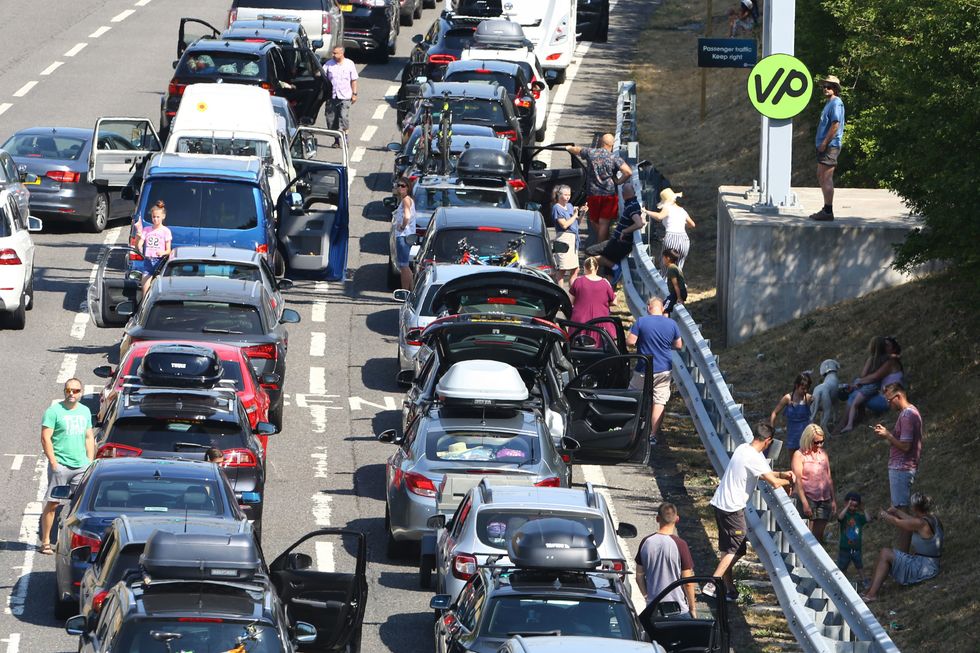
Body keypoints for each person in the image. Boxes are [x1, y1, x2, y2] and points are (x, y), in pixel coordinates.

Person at [706, 423, 795, 600]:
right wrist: (792, 483)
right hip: (732, 508)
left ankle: (729, 589)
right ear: (768, 441)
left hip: (720, 504)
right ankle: (712, 583)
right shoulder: (754, 457)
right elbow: (774, 483)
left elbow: (763, 473)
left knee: (727, 549)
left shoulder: (743, 448)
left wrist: (783, 474)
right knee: (737, 549)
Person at [39, 378, 96, 555]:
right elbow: (45, 437)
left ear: (81, 392)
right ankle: (46, 541)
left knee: (79, 506)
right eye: (69, 390)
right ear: (64, 391)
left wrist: (90, 461)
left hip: (81, 466)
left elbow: (89, 437)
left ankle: (70, 543)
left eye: (76, 391)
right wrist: (54, 463)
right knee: (53, 503)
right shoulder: (54, 411)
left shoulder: (85, 411)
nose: (72, 394)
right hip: (61, 465)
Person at [862, 492, 943, 602]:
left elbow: (899, 522)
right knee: (883, 552)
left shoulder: (920, 523)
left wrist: (884, 515)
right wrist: (896, 511)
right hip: (928, 564)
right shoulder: (931, 519)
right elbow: (910, 520)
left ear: (915, 508)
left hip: (924, 568)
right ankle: (869, 590)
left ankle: (872, 594)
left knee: (885, 553)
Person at [873, 382, 923, 552]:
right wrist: (888, 433)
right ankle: (902, 553)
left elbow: (905, 446)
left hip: (901, 468)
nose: (888, 404)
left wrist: (887, 435)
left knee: (901, 513)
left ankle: (902, 556)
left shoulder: (908, 415)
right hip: (901, 467)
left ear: (898, 396)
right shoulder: (908, 413)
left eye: (889, 400)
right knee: (900, 510)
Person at [626, 297, 682, 444]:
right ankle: (652, 435)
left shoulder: (641, 322)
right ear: (662, 308)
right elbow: (678, 345)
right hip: (664, 368)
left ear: (648, 307)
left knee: (632, 396)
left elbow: (630, 341)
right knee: (659, 401)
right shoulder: (672, 324)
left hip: (644, 368)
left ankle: (628, 428)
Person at [565, 134, 632, 243]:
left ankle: (602, 244)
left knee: (593, 220)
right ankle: (603, 244)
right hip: (609, 194)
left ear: (601, 142)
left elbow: (577, 150)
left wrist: (568, 147)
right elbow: (628, 172)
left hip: (593, 193)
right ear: (612, 144)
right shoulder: (614, 157)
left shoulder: (591, 153)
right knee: (604, 222)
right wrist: (618, 181)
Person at [635, 502, 697, 617]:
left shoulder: (646, 542)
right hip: (678, 609)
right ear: (677, 519)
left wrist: (647, 597)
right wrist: (692, 608)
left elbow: (639, 576)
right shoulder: (680, 545)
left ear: (657, 519)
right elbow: (687, 582)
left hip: (653, 609)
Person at [840, 336, 902, 433]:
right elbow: (867, 377)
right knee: (858, 389)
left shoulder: (891, 362)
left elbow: (874, 377)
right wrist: (858, 382)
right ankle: (858, 417)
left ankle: (845, 424)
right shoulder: (887, 360)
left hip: (889, 402)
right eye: (883, 344)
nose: (883, 346)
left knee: (854, 395)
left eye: (887, 345)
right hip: (888, 398)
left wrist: (858, 383)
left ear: (893, 348)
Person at [586, 182, 645, 281]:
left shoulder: (631, 206)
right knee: (607, 264)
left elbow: (639, 223)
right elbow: (641, 221)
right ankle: (609, 283)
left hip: (619, 243)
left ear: (623, 194)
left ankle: (615, 267)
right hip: (619, 243)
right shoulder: (633, 204)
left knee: (589, 252)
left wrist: (625, 231)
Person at [791, 424, 836, 542]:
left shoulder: (823, 454)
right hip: (807, 497)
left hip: (824, 497)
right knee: (807, 535)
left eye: (822, 442)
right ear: (808, 440)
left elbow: (828, 477)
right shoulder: (799, 455)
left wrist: (833, 500)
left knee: (818, 535)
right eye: (816, 442)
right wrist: (805, 502)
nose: (820, 445)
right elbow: (798, 480)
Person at [809, 75, 845, 221]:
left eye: (829, 86)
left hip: (831, 146)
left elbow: (835, 125)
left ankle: (828, 211)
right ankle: (825, 208)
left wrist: (825, 142)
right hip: (824, 145)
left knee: (826, 177)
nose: (825, 89)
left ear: (835, 89)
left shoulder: (836, 103)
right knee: (820, 175)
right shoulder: (829, 103)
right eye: (824, 86)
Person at [643, 188, 695, 272]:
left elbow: (659, 217)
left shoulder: (667, 207)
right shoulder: (682, 210)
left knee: (666, 267)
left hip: (672, 237)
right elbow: (692, 224)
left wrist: (646, 211)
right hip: (684, 239)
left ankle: (665, 284)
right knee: (678, 268)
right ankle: (679, 284)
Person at [569, 256, 617, 344]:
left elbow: (571, 302)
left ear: (584, 267)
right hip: (600, 322)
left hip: (580, 322)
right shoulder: (605, 283)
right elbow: (614, 302)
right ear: (597, 268)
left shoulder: (578, 282)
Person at [769, 371, 813, 457]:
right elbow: (774, 413)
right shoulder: (788, 398)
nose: (805, 391)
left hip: (806, 435)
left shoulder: (808, 398)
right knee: (793, 460)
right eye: (803, 388)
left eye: (807, 388)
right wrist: (771, 430)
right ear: (797, 386)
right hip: (792, 435)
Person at [323, 46, 358, 147]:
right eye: (333, 53)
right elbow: (321, 75)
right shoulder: (329, 64)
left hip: (345, 96)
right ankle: (336, 141)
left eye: (335, 53)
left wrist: (354, 94)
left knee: (343, 117)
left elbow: (354, 80)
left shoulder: (349, 64)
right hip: (332, 97)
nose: (333, 55)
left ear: (342, 53)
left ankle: (345, 138)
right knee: (331, 119)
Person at [837, 491, 872, 589]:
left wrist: (864, 509)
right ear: (846, 504)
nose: (853, 508)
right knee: (842, 567)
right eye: (851, 506)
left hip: (856, 548)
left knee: (859, 566)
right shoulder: (845, 516)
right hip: (845, 548)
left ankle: (864, 580)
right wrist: (846, 507)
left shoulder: (859, 517)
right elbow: (840, 518)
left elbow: (868, 519)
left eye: (855, 506)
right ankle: (840, 582)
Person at [138, 200, 172, 296]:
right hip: (148, 260)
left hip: (159, 261)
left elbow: (169, 250)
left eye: (158, 217)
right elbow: (141, 241)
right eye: (153, 217)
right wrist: (140, 245)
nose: (155, 219)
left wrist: (163, 252)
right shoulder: (147, 229)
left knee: (159, 287)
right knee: (145, 287)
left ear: (163, 217)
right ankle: (144, 305)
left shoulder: (166, 231)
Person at [551, 184, 580, 290]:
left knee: (575, 269)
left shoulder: (570, 206)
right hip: (563, 239)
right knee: (562, 270)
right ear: (559, 195)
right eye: (565, 195)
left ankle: (572, 295)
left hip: (573, 239)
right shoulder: (557, 208)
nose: (568, 197)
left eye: (569, 195)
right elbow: (564, 225)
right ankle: (561, 292)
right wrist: (574, 216)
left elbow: (575, 223)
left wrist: (580, 214)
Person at [391, 177, 417, 290]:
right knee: (405, 266)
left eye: (403, 186)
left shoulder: (406, 200)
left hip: (403, 236)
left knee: (403, 266)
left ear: (408, 188)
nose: (400, 188)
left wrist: (401, 226)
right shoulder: (407, 200)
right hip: (408, 236)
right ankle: (412, 291)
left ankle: (404, 292)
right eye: (398, 185)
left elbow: (407, 216)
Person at [661, 248, 687, 316]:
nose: (662, 259)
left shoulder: (671, 269)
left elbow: (676, 285)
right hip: (678, 293)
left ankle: (665, 324)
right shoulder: (675, 267)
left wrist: (679, 297)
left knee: (663, 308)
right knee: (665, 306)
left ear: (668, 258)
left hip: (676, 294)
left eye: (663, 257)